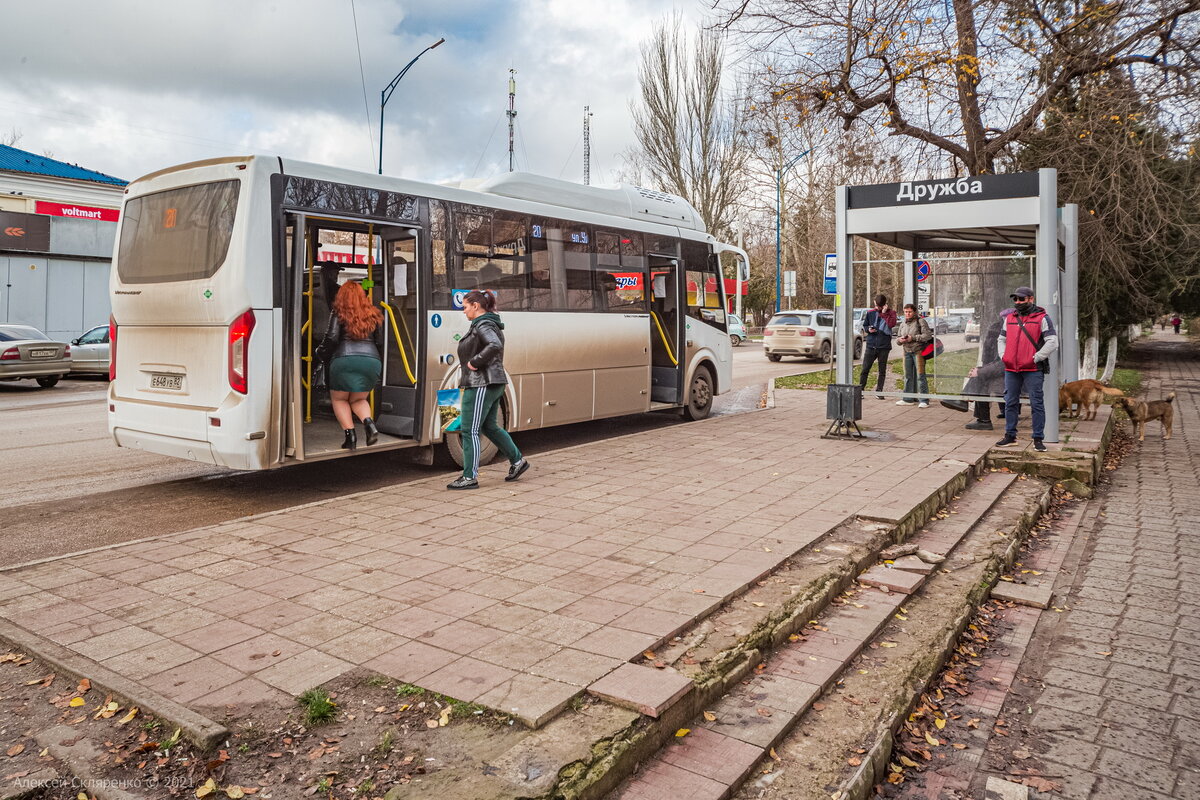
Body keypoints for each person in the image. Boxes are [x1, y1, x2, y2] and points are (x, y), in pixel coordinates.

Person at [447, 289, 529, 490]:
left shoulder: (483, 324)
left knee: (469, 430)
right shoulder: (485, 323)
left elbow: (494, 344)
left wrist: (474, 362)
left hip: (481, 383)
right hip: (490, 382)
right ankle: (518, 462)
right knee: (489, 427)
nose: (464, 312)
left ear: (476, 306)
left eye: (465, 307)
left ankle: (469, 477)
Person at [318, 282, 383, 450]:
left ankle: (351, 437)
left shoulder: (338, 312)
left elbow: (332, 338)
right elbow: (380, 342)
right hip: (371, 361)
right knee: (359, 399)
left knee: (339, 399)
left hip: (345, 359)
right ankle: (369, 424)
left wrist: (320, 352)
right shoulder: (373, 314)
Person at [995, 287, 1058, 452]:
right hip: (1011, 368)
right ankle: (1010, 436)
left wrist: (1036, 357)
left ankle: (1038, 438)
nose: (1017, 303)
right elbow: (1001, 339)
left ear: (1031, 299)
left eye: (1021, 299)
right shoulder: (1009, 318)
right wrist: (1004, 356)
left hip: (1032, 369)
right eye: (1015, 300)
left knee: (1036, 403)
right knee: (1010, 402)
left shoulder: (1042, 318)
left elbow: (1052, 341)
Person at [942, 320, 1005, 430]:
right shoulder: (1003, 341)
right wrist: (980, 370)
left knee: (980, 379)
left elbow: (1002, 364)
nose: (990, 339)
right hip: (1007, 375)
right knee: (979, 378)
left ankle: (966, 402)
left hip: (1015, 379)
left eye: (993, 335)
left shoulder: (1008, 342)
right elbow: (996, 363)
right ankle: (980, 418)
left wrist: (980, 371)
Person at [894, 304, 933, 408]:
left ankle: (924, 400)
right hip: (906, 351)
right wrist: (900, 340)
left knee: (920, 376)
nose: (907, 314)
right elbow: (897, 339)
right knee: (907, 376)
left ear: (914, 312)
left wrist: (914, 338)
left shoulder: (921, 321)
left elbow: (928, 335)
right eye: (906, 312)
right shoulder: (903, 324)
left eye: (910, 312)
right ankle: (907, 399)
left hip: (918, 351)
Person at [858, 294, 897, 399]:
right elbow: (865, 325)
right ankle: (861, 390)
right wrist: (868, 330)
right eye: (876, 306)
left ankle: (879, 391)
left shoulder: (891, 313)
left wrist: (884, 314)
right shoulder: (870, 313)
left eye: (879, 306)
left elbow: (891, 324)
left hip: (884, 346)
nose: (877, 308)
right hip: (871, 345)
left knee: (882, 370)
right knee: (865, 368)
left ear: (884, 305)